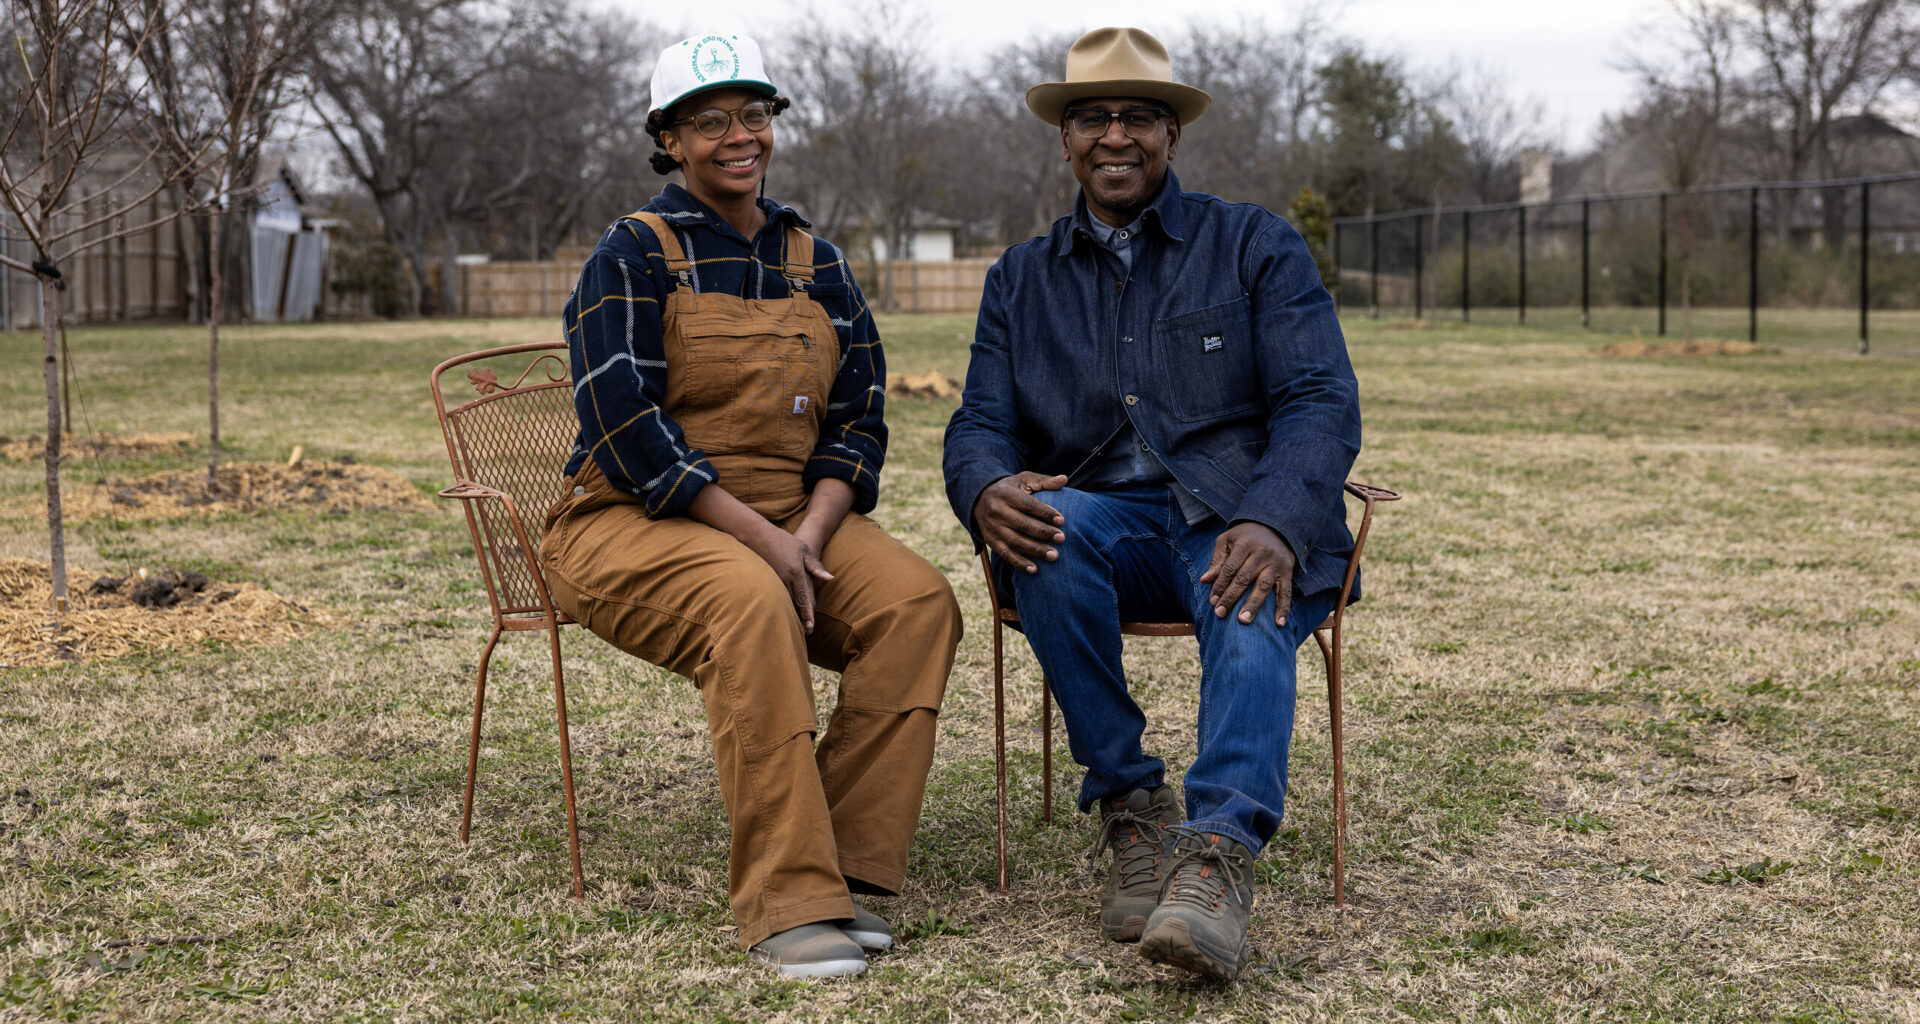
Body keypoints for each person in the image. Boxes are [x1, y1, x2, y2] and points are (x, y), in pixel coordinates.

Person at [942, 27, 1362, 979]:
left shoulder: (1254, 245)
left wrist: (1274, 516)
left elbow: (1320, 399)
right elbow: (978, 423)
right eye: (1093, 117)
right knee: (1046, 528)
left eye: (1140, 116)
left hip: (1235, 514)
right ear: (1065, 140)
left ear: (1173, 135)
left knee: (1247, 581)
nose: (1116, 135)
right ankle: (1132, 809)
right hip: (1111, 528)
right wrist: (984, 486)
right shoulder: (1021, 279)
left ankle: (1216, 857)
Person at [542, 32, 962, 979]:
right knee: (749, 599)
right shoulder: (631, 254)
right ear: (670, 139)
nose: (740, 136)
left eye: (755, 114)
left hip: (792, 517)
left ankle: (842, 871)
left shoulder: (818, 263)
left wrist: (808, 533)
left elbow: (860, 420)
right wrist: (764, 545)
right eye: (711, 120)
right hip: (631, 520)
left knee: (916, 606)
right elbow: (623, 425)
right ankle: (785, 901)